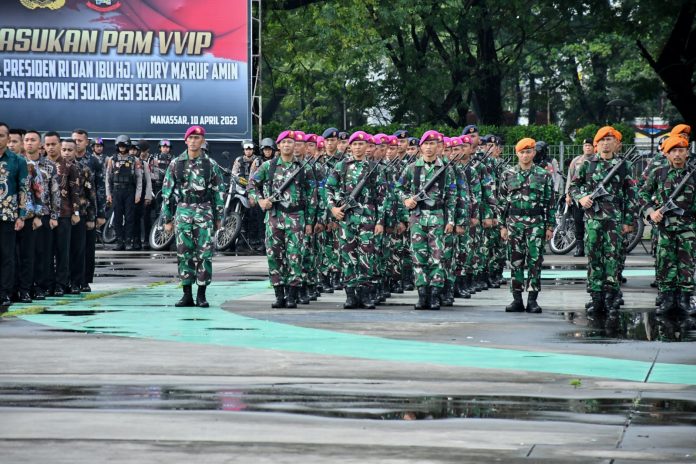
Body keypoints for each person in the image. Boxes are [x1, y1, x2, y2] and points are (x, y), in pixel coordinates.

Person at [569, 126, 637, 316]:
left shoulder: (624, 165)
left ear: (616, 144)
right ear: (596, 144)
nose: (606, 143)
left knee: (612, 259)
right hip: (593, 219)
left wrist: (628, 220)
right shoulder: (587, 164)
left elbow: (631, 194)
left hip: (614, 220)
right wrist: (581, 198)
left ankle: (610, 296)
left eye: (610, 140)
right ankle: (595, 297)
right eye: (602, 140)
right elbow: (574, 187)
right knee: (594, 259)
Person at [248, 130, 315, 308]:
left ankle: (292, 295)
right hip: (274, 217)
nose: (287, 145)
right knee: (274, 256)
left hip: (296, 218)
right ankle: (279, 294)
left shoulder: (303, 167)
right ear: (278, 146)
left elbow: (312, 197)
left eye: (290, 142)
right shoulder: (267, 166)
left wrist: (309, 222)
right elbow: (252, 184)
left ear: (295, 146)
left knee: (295, 256)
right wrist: (260, 200)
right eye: (283, 142)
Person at [161, 126, 225, 308]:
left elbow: (218, 191)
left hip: (204, 211)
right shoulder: (176, 163)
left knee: (204, 254)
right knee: (183, 254)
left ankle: (202, 295)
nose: (195, 141)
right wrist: (166, 219)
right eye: (192, 137)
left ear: (203, 141)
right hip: (182, 212)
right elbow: (166, 192)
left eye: (198, 138)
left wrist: (219, 216)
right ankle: (186, 294)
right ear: (186, 140)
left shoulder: (210, 164)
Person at [395, 130, 457, 310]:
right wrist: (406, 199)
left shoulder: (447, 169)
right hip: (417, 217)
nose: (429, 147)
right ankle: (422, 293)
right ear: (420, 147)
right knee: (418, 256)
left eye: (433, 144)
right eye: (426, 144)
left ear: (439, 147)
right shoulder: (412, 167)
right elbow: (399, 188)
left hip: (438, 216)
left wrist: (450, 221)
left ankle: (435, 294)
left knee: (438, 257)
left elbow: (452, 198)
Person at [326, 131, 386, 309]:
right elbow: (328, 188)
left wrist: (380, 221)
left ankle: (366, 295)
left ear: (368, 146)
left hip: (368, 217)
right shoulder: (341, 166)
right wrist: (333, 208)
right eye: (355, 144)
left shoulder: (375, 168)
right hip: (347, 218)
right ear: (350, 147)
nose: (358, 147)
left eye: (362, 144)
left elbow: (383, 197)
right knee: (347, 255)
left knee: (366, 255)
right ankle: (351, 294)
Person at [639, 135, 695, 315]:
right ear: (667, 154)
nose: (677, 154)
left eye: (681, 150)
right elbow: (642, 194)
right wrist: (651, 212)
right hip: (665, 227)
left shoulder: (693, 174)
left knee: (687, 265)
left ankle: (686, 299)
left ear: (687, 153)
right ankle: (667, 298)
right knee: (665, 263)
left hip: (688, 228)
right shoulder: (659, 173)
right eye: (673, 151)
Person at [499, 138, 556, 313]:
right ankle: (516, 299)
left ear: (534, 153)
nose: (525, 155)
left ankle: (532, 300)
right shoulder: (507, 174)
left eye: (529, 151)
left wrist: (549, 226)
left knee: (535, 261)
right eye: (522, 152)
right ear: (517, 153)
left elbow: (550, 202)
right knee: (515, 262)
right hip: (514, 224)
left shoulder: (543, 175)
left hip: (536, 224)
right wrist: (502, 226)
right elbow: (501, 203)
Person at [25, 130, 60, 301]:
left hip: (44, 215)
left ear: (40, 145)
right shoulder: (20, 163)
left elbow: (55, 193)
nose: (29, 143)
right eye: (27, 140)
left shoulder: (49, 166)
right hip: (24, 216)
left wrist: (54, 216)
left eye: (33, 140)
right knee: (25, 254)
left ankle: (40, 286)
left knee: (43, 253)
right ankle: (25, 286)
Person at [0, 122, 29, 310]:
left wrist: (21, 215)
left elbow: (23, 188)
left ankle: (4, 294)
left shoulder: (17, 161)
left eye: (2, 135)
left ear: (8, 138)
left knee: (7, 257)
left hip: (7, 216)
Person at [73, 129, 105, 292]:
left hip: (89, 212)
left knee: (87, 248)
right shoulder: (66, 160)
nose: (76, 143)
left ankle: (85, 281)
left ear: (87, 142)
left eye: (79, 140)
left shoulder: (94, 161)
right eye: (74, 140)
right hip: (69, 211)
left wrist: (101, 214)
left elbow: (100, 188)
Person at [105, 135, 143, 251]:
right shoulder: (112, 159)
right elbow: (108, 177)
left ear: (127, 146)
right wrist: (108, 194)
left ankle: (128, 242)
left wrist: (138, 194)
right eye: (120, 145)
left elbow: (139, 178)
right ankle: (119, 241)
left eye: (123, 145)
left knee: (129, 217)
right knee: (117, 217)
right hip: (116, 192)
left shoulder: (134, 160)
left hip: (130, 191)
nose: (121, 147)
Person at [565, 139, 595, 257]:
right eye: (586, 145)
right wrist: (568, 194)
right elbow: (570, 178)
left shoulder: (596, 160)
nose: (588, 147)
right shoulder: (576, 161)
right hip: (578, 197)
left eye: (590, 145)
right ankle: (579, 247)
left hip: (592, 197)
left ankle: (590, 248)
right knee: (578, 222)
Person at [132, 140, 154, 250]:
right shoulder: (131, 161)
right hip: (132, 193)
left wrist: (148, 196)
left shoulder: (148, 161)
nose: (140, 153)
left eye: (142, 150)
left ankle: (146, 240)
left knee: (146, 218)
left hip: (145, 193)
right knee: (133, 218)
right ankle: (133, 240)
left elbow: (150, 179)